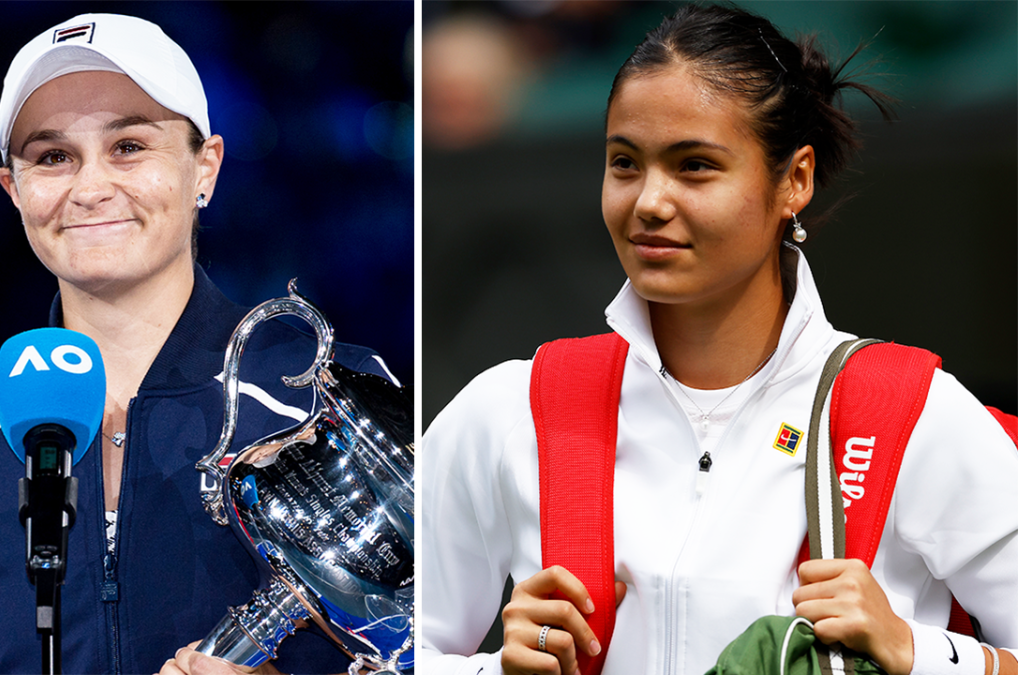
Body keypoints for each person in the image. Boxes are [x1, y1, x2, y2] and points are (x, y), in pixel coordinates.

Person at [420, 5, 1018, 675]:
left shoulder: (913, 415)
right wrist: (492, 669)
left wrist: (920, 652)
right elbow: (382, 654)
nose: (649, 200)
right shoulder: (509, 410)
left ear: (795, 179)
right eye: (624, 163)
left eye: (695, 166)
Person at [0, 13, 403, 674]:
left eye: (129, 146)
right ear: (14, 190)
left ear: (205, 168)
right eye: (52, 157)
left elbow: (446, 643)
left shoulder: (330, 399)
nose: (91, 188)